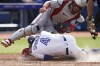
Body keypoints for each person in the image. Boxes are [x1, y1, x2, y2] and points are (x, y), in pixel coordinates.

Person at [1, 0, 87, 47]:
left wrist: (64, 29)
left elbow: (69, 30)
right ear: (72, 2)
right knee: (34, 28)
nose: (76, 8)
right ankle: (9, 40)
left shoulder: (78, 17)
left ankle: (32, 46)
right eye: (75, 5)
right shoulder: (63, 2)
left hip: (53, 24)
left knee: (49, 42)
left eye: (78, 7)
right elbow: (49, 2)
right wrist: (44, 8)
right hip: (47, 14)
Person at [21, 31, 86, 60]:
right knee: (80, 52)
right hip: (69, 38)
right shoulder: (42, 33)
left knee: (82, 56)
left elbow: (49, 58)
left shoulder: (34, 51)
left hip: (69, 50)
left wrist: (32, 54)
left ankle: (83, 51)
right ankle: (82, 50)